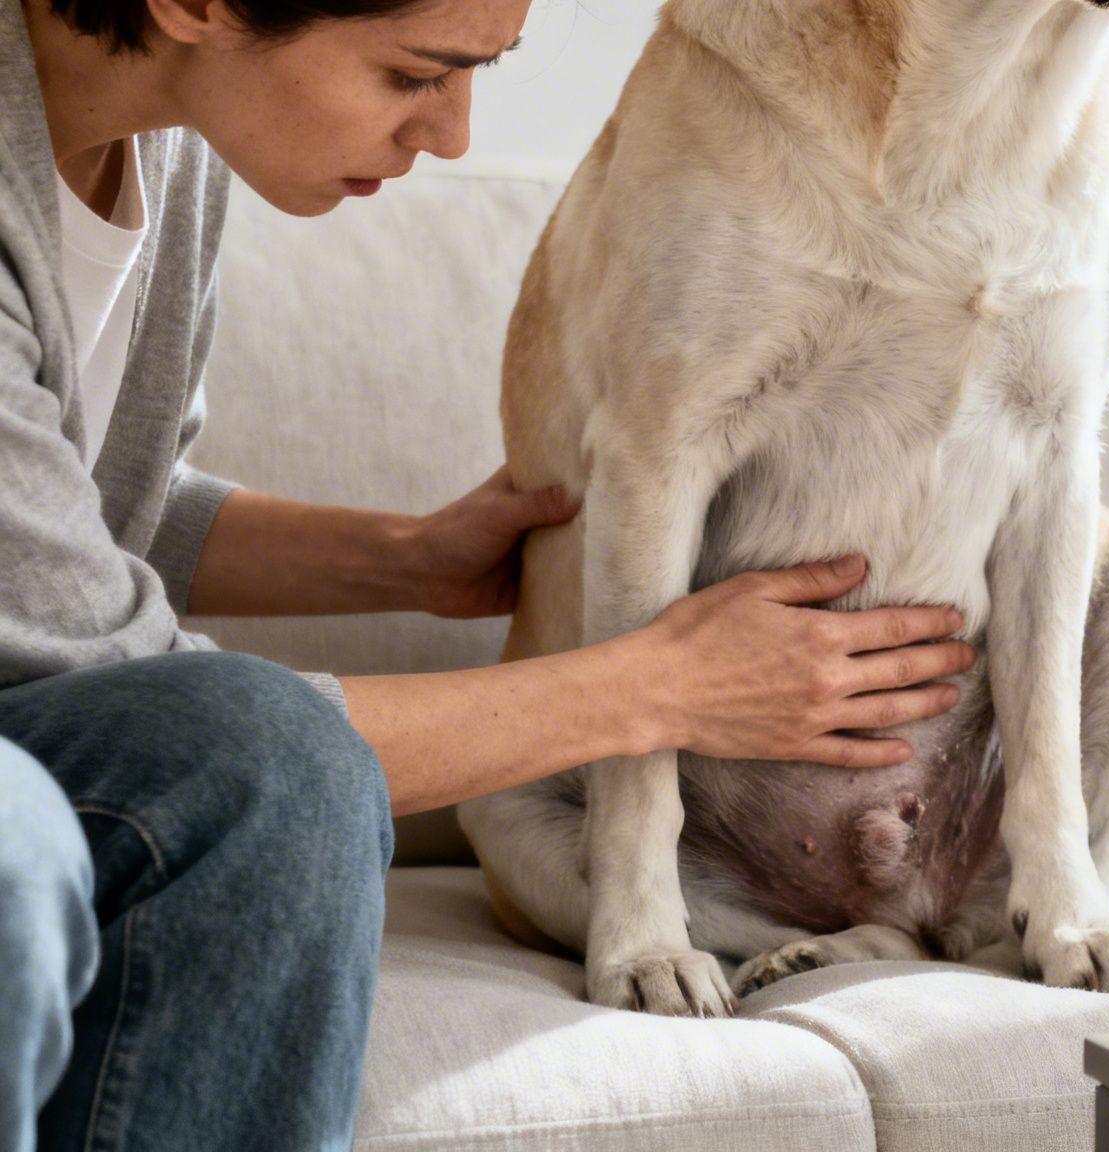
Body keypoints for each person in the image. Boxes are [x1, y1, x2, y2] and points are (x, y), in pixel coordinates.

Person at [0, 0, 980, 1147]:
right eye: (416, 73)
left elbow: (85, 519)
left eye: (480, 72)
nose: (454, 133)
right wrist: (655, 686)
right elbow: (178, 728)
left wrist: (406, 561)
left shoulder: (168, 145)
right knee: (268, 760)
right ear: (193, 6)